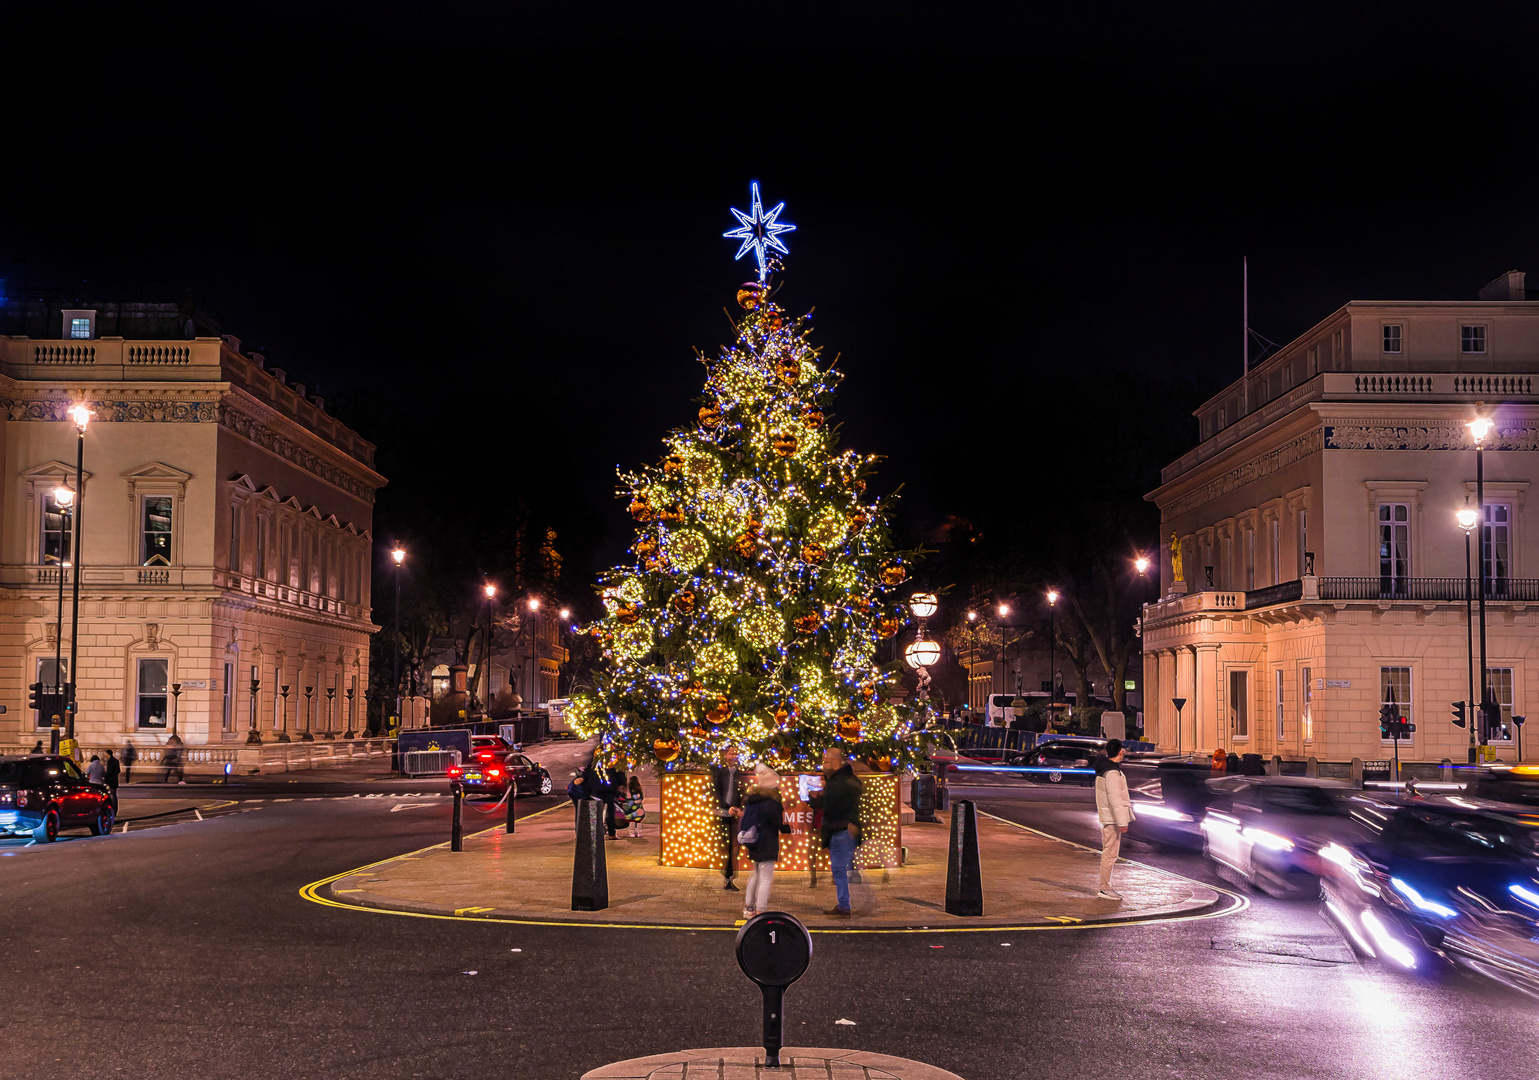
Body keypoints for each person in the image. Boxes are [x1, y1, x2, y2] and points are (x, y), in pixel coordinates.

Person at [808, 746, 862, 918]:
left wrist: (817, 799)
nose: (823, 764)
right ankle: (844, 903)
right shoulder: (843, 779)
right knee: (841, 869)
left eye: (826, 761)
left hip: (841, 830)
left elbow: (831, 806)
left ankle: (844, 906)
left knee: (839, 869)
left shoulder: (839, 782)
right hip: (843, 830)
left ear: (836, 762)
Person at [739, 763, 792, 919]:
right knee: (766, 877)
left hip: (754, 842)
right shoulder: (772, 802)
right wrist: (786, 828)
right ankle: (761, 908)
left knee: (754, 875)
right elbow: (776, 822)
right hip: (767, 842)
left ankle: (749, 908)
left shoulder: (753, 799)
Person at [1094, 738, 1135, 900]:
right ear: (1120, 752)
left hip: (1109, 817)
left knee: (1110, 853)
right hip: (1112, 819)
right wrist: (1122, 822)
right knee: (1110, 854)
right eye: (1123, 750)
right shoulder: (1112, 773)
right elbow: (1115, 799)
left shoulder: (1106, 770)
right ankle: (1104, 889)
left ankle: (1105, 887)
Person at [712, 747, 746, 888]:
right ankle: (727, 877)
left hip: (736, 812)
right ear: (725, 755)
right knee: (726, 846)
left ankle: (731, 876)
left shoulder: (740, 773)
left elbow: (743, 792)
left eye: (736, 754)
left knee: (735, 846)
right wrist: (726, 808)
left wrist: (739, 808)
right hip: (724, 812)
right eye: (731, 753)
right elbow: (717, 792)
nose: (734, 756)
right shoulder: (720, 772)